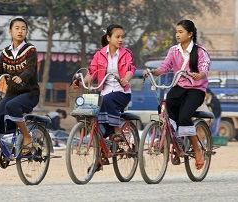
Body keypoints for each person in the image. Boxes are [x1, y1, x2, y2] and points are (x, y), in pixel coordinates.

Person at [143, 19, 210, 170]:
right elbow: (165, 66)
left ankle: (197, 150)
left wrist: (199, 75)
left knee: (184, 117)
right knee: (163, 109)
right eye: (176, 32)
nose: (177, 35)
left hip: (195, 90)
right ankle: (176, 140)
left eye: (181, 32)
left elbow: (204, 68)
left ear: (190, 34)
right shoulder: (174, 50)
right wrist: (153, 72)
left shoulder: (200, 51)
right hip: (179, 87)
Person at [0, 18, 40, 151]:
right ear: (10, 31)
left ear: (26, 32)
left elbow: (30, 69)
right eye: (17, 28)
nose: (20, 31)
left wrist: (21, 78)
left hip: (30, 93)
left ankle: (26, 136)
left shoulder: (30, 50)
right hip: (11, 94)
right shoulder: (5, 53)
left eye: (23, 28)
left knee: (12, 106)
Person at [73, 24, 137, 149]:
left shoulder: (126, 54)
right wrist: (81, 83)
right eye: (117, 37)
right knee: (88, 109)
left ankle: (117, 130)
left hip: (122, 93)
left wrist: (125, 80)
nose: (121, 40)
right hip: (104, 92)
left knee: (108, 99)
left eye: (122, 37)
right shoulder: (99, 54)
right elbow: (92, 72)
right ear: (108, 38)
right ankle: (100, 154)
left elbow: (130, 69)